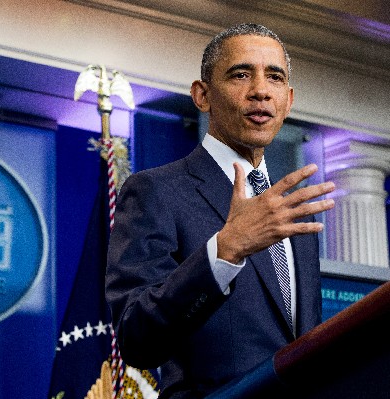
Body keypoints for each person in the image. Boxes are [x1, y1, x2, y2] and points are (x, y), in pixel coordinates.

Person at [105, 23, 336, 398]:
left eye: (274, 77)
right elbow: (136, 339)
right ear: (202, 95)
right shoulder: (157, 191)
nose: (260, 90)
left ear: (288, 100)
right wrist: (224, 251)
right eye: (241, 74)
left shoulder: (293, 214)